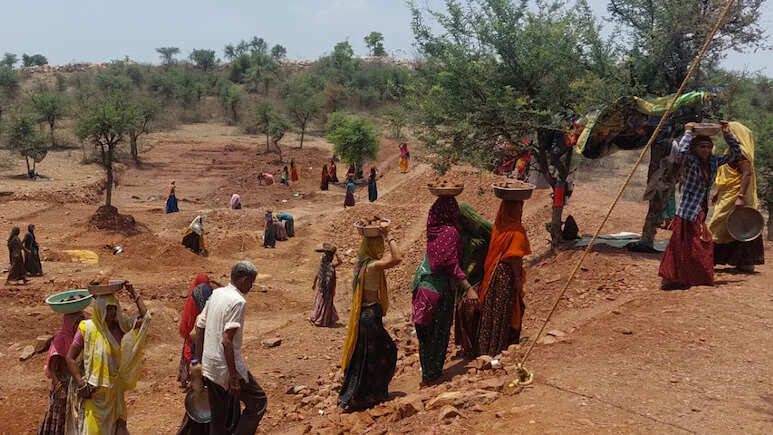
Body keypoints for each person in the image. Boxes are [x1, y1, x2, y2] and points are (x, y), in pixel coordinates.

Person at [659, 121, 742, 289]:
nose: (705, 150)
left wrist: (727, 134)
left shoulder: (712, 162)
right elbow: (680, 153)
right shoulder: (690, 160)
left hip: (700, 209)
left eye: (708, 147)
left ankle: (688, 276)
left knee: (695, 243)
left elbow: (736, 153)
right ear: (695, 149)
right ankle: (673, 277)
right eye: (702, 147)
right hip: (687, 210)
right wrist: (688, 131)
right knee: (682, 244)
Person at [65, 284, 151, 435]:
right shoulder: (87, 328)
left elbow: (145, 319)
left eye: (114, 308)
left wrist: (134, 293)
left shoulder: (120, 328)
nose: (111, 312)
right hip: (94, 393)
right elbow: (70, 358)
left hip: (113, 393)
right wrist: (81, 383)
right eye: (108, 308)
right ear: (99, 309)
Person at [193, 261, 267, 434]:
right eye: (251, 282)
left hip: (210, 365)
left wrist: (199, 362)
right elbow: (227, 340)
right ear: (244, 279)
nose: (251, 286)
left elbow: (200, 325)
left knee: (218, 417)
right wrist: (233, 377)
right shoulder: (238, 301)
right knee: (258, 401)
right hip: (225, 368)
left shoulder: (217, 293)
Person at [411, 195, 476, 385]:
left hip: (421, 286)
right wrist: (469, 289)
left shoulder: (433, 229)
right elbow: (450, 264)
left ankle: (428, 374)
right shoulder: (451, 232)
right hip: (438, 290)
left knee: (424, 334)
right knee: (438, 333)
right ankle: (433, 376)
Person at [339, 228, 402, 411]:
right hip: (371, 315)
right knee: (385, 352)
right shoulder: (373, 265)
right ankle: (371, 394)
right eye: (379, 244)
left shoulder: (360, 264)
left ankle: (357, 394)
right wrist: (388, 236)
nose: (381, 247)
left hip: (362, 316)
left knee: (364, 357)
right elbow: (397, 258)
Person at [476, 199, 531, 356]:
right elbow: (515, 259)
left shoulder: (498, 227)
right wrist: (518, 281)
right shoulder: (517, 231)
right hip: (506, 277)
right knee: (505, 312)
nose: (520, 212)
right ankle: (500, 350)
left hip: (493, 275)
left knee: (491, 312)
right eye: (518, 209)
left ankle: (486, 350)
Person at [709, 121, 765, 273]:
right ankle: (743, 262)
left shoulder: (742, 154)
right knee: (733, 226)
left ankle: (709, 259)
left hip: (734, 197)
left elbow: (746, 174)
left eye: (731, 131)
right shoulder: (733, 151)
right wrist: (717, 192)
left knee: (718, 225)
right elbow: (728, 174)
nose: (728, 134)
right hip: (727, 195)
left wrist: (740, 196)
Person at [38, 311, 86, 435]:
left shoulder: (80, 338)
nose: (81, 325)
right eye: (78, 322)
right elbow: (53, 368)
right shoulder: (60, 339)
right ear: (70, 323)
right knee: (60, 416)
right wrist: (60, 388)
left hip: (75, 383)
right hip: (62, 384)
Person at [177, 274, 214, 389]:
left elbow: (187, 320)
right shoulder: (208, 294)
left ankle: (192, 379)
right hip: (202, 331)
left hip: (194, 331)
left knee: (193, 355)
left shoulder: (196, 294)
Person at [310, 243, 341, 327]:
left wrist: (314, 283)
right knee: (326, 302)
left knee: (320, 301)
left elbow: (317, 274)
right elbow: (340, 262)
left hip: (322, 288)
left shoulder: (323, 265)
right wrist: (336, 254)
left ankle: (317, 316)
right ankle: (322, 319)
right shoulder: (331, 266)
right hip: (328, 288)